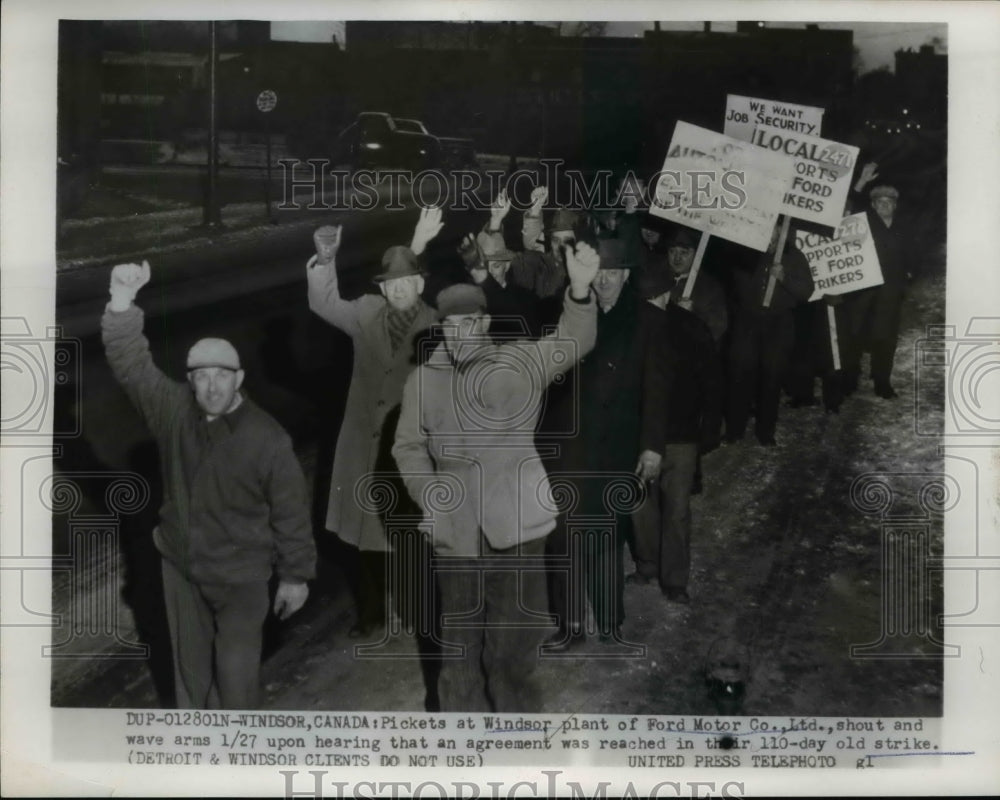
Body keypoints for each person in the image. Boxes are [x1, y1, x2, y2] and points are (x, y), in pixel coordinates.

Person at [391, 241, 599, 711]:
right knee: (459, 653)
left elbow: (576, 340)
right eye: (450, 325)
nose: (460, 333)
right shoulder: (422, 380)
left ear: (484, 322)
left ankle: (516, 750)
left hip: (518, 529)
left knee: (511, 654)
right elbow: (407, 447)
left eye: (469, 322)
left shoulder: (520, 361)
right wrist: (432, 496)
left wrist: (581, 291)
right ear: (440, 327)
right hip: (457, 532)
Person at [101, 260, 316, 709]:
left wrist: (295, 576)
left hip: (241, 575)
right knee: (191, 682)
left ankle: (240, 764)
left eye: (222, 376)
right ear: (191, 381)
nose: (212, 387)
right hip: (182, 568)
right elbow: (130, 363)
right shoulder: (173, 412)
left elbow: (291, 511)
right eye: (202, 377)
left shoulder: (266, 437)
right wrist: (122, 300)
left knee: (235, 675)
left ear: (239, 379)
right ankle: (199, 763)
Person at [306, 208, 442, 637]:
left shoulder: (438, 326)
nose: (400, 289)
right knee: (364, 536)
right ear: (384, 289)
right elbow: (323, 302)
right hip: (363, 449)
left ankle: (420, 610)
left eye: (407, 282)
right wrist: (326, 259)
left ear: (420, 285)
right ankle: (371, 615)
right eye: (392, 284)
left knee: (409, 535)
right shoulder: (365, 312)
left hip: (410, 450)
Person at [544, 237, 651, 649]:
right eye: (597, 271)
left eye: (612, 272)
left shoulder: (644, 321)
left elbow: (656, 392)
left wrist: (651, 446)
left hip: (614, 450)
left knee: (606, 536)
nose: (603, 279)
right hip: (568, 449)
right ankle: (570, 626)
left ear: (626, 275)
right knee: (564, 537)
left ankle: (609, 621)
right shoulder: (570, 312)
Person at [630, 267, 724, 603]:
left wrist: (708, 430)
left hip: (677, 436)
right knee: (649, 507)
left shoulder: (689, 327)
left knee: (670, 508)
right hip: (652, 435)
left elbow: (712, 382)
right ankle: (651, 567)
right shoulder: (633, 327)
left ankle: (672, 577)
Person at [726, 225, 815, 446]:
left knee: (772, 377)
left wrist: (784, 277)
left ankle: (765, 432)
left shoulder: (793, 256)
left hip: (779, 323)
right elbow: (736, 285)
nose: (769, 232)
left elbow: (806, 292)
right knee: (740, 374)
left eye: (774, 228)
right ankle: (734, 430)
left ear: (779, 231)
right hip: (749, 321)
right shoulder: (746, 252)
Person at [841, 163, 913, 399]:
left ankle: (882, 382)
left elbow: (914, 255)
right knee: (854, 336)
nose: (884, 205)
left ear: (895, 205)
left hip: (891, 292)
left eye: (889, 202)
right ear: (872, 206)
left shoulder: (904, 227)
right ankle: (850, 380)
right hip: (863, 290)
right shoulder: (865, 222)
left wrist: (909, 274)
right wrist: (861, 181)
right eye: (879, 202)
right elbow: (849, 204)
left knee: (886, 339)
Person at [456, 229, 543, 339]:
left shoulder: (525, 298)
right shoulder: (467, 302)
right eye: (485, 267)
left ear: (506, 266)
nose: (490, 273)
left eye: (496, 266)